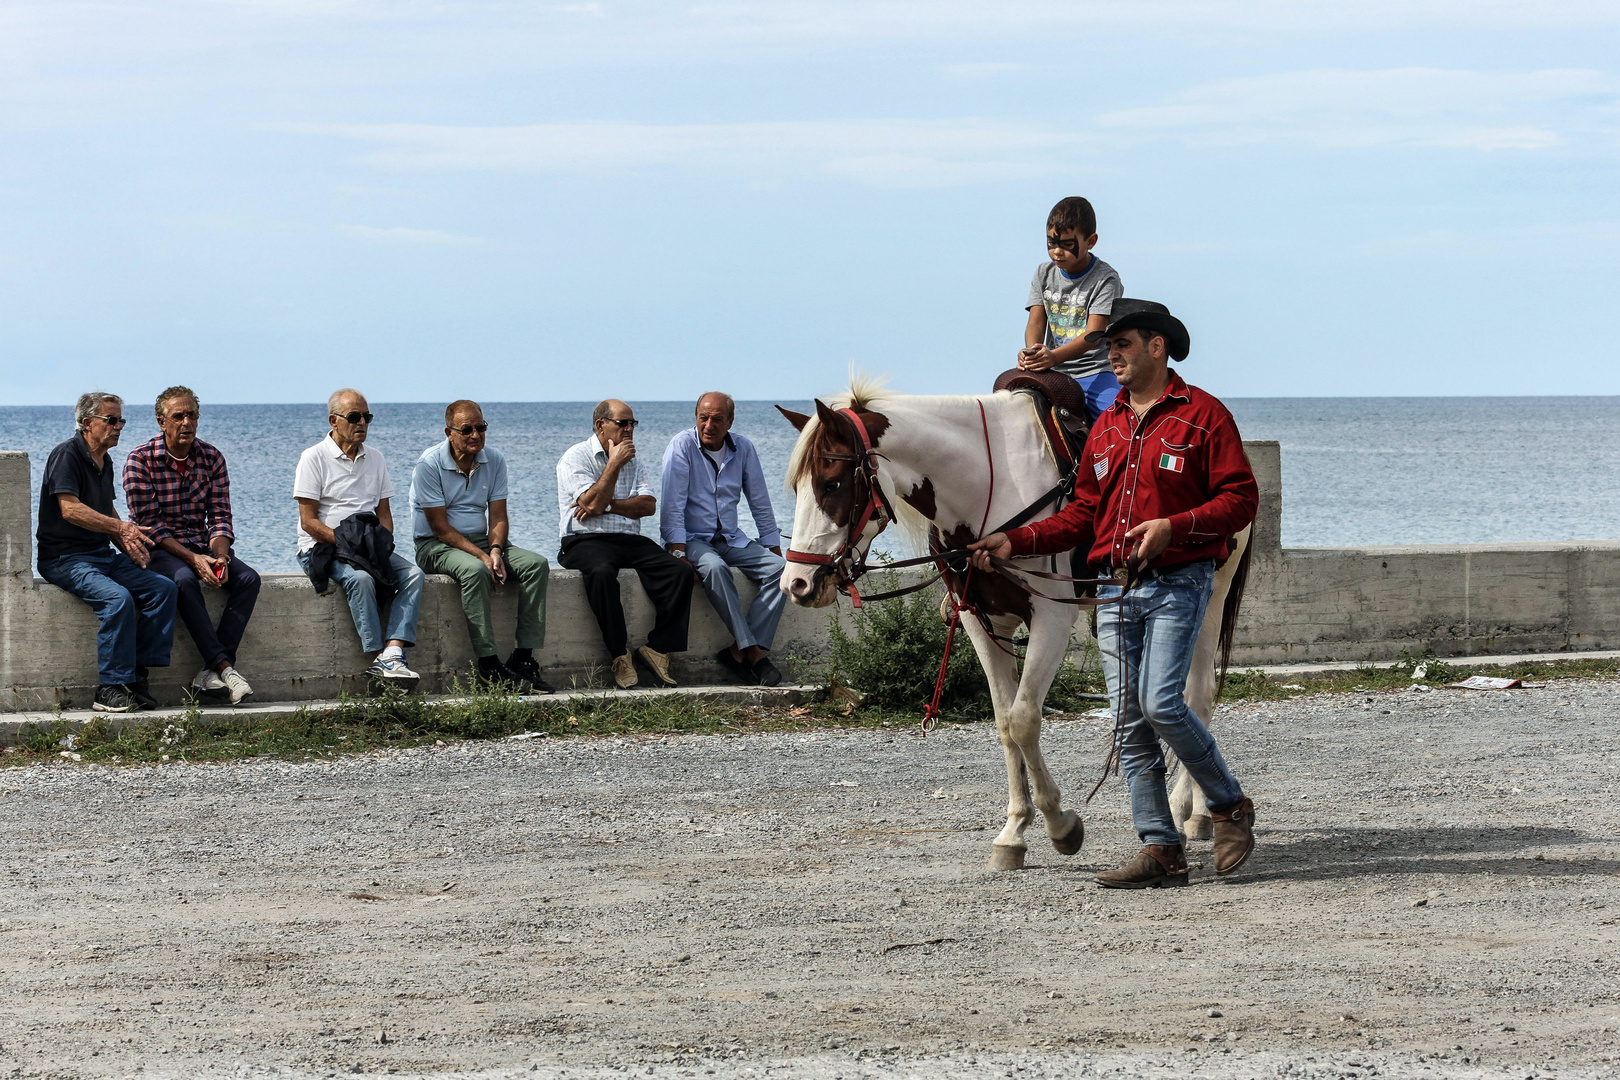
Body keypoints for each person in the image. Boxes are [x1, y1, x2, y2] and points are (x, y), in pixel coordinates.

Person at [971, 299, 1259, 889]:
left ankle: (1228, 804)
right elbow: (1081, 513)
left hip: (1180, 579)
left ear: (1157, 346)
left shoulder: (1204, 416)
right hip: (1112, 589)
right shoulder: (1108, 425)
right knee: (1127, 721)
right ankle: (1160, 848)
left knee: (1160, 705)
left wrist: (1173, 528)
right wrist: (1012, 541)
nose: (1112, 355)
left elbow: (1241, 499)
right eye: (1110, 346)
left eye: (1122, 344)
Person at [35, 392, 177, 713]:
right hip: (64, 558)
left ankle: (134, 679)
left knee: (163, 589)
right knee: (117, 600)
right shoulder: (67, 455)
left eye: (120, 421)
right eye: (110, 420)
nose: (118, 427)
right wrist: (121, 529)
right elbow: (70, 510)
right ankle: (109, 687)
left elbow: (106, 510)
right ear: (87, 423)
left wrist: (127, 541)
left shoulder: (105, 460)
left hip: (100, 556)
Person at [123, 386, 259, 705]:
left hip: (203, 544)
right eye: (178, 416)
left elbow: (220, 515)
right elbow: (151, 527)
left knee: (249, 579)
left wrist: (221, 556)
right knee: (183, 579)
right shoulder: (139, 460)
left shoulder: (211, 457)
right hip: (159, 550)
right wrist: (194, 560)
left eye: (192, 415)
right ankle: (225, 667)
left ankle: (208, 673)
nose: (187, 422)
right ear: (162, 421)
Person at [412, 400, 554, 693]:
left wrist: (496, 551)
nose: (475, 435)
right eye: (467, 429)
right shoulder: (429, 464)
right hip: (435, 545)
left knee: (536, 565)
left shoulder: (494, 460)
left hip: (481, 543)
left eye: (481, 427)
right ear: (449, 433)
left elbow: (498, 517)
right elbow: (439, 528)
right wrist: (482, 557)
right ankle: (489, 666)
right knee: (475, 571)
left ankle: (522, 660)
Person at [556, 399, 695, 689]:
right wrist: (614, 463)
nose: (630, 429)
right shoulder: (576, 457)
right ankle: (619, 654)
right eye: (623, 423)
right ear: (601, 426)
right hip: (584, 540)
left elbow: (647, 506)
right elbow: (590, 502)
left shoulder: (636, 458)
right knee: (602, 573)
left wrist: (605, 506)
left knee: (679, 571)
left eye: (633, 423)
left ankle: (657, 648)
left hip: (627, 539)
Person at [293, 389, 424, 686]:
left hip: (366, 543)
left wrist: (381, 544)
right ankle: (378, 655)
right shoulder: (313, 458)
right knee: (361, 579)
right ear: (334, 420)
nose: (362, 423)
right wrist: (347, 545)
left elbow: (385, 514)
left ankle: (392, 652)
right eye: (354, 417)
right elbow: (308, 521)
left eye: (367, 417)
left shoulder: (375, 458)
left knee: (414, 574)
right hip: (323, 545)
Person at [660, 392, 786, 686]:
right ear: (696, 418)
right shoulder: (681, 446)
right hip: (692, 539)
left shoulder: (743, 448)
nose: (709, 425)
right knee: (715, 569)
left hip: (731, 537)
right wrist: (679, 555)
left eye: (717, 419)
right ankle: (754, 653)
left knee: (782, 571)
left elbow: (760, 502)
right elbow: (671, 506)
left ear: (730, 421)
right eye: (703, 418)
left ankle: (735, 651)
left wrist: (774, 548)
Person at [1016, 196, 1124, 420]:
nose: (1057, 252)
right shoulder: (1043, 273)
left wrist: (1053, 357)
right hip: (1052, 370)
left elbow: (1094, 334)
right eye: (1051, 244)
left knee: (1116, 420)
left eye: (1066, 245)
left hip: (1095, 371)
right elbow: (1036, 321)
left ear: (1090, 241)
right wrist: (1033, 354)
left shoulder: (1105, 279)